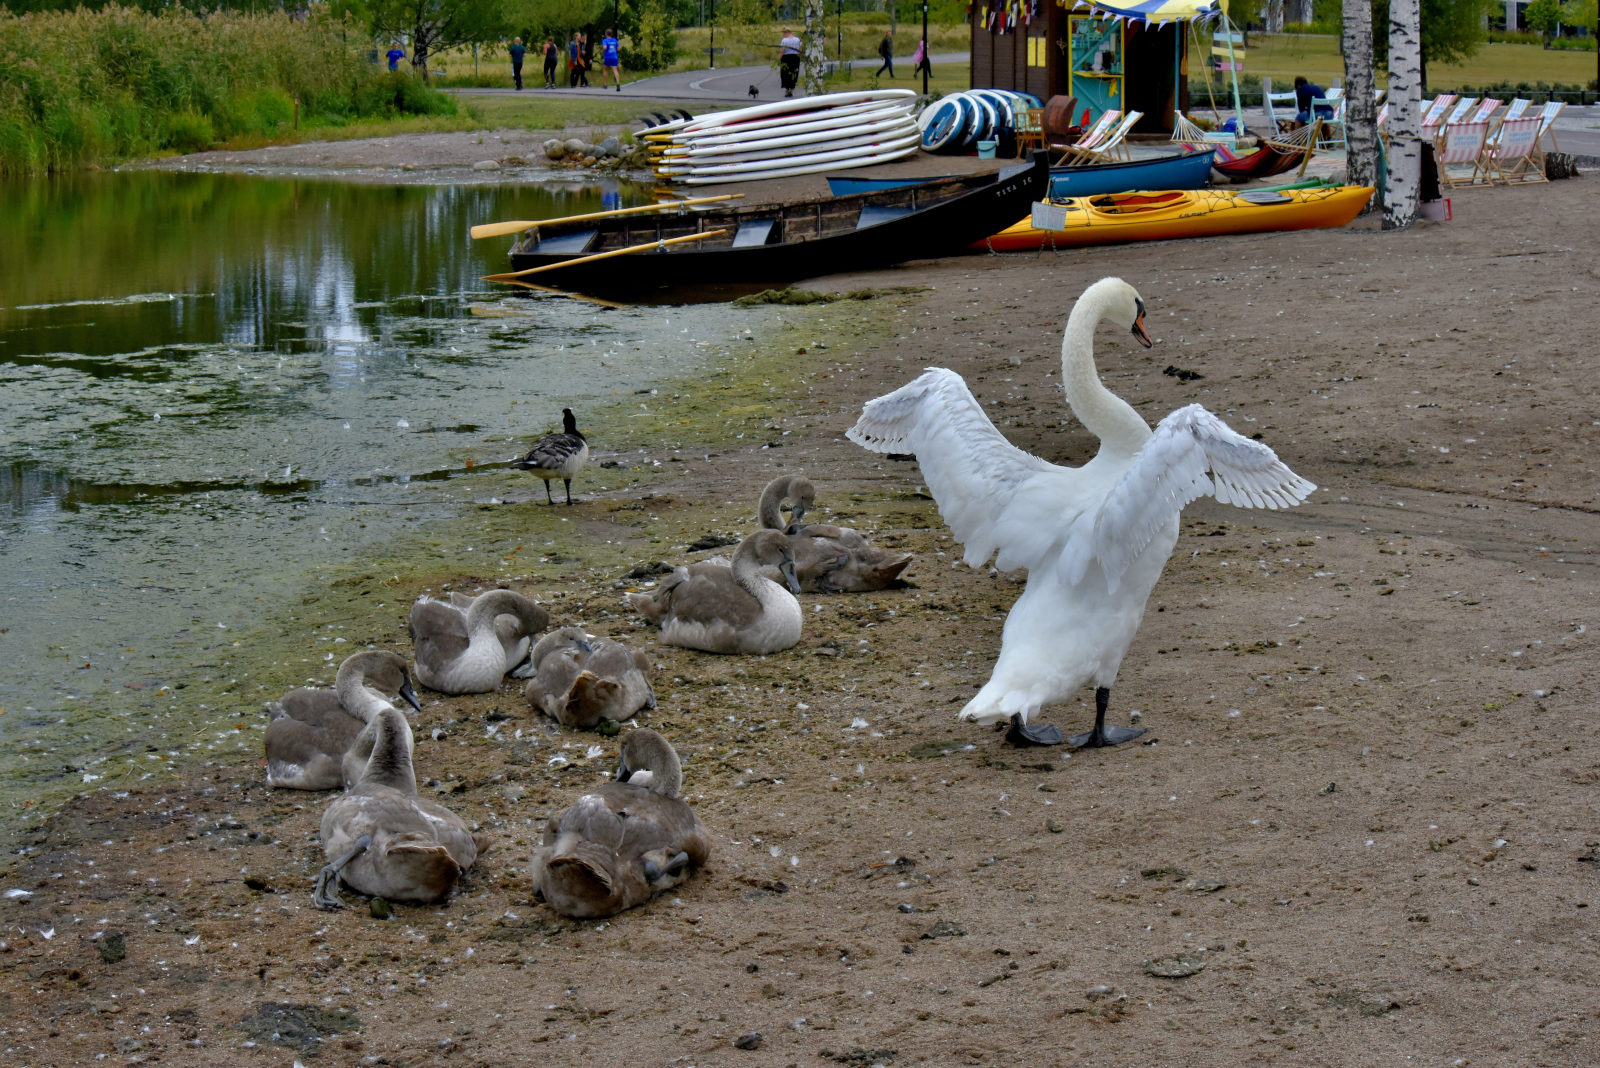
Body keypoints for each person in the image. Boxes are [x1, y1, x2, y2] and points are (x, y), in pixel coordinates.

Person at [779, 28, 801, 98]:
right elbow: (800, 49)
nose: (783, 34)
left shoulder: (784, 40)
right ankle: (791, 88)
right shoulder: (798, 39)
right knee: (794, 73)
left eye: (784, 33)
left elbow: (782, 50)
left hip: (786, 58)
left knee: (785, 73)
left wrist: (779, 58)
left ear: (787, 32)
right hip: (795, 57)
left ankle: (787, 88)